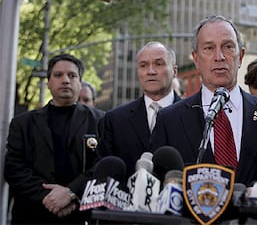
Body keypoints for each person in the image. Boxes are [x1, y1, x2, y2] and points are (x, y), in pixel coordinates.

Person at [150, 15, 257, 185]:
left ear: (241, 56)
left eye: (228, 47)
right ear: (196, 59)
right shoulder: (169, 121)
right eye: (209, 48)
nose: (219, 57)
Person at [4, 53, 104, 224]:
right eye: (58, 75)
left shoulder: (101, 121)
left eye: (72, 75)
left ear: (80, 83)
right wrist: (47, 197)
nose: (65, 80)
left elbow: (103, 165)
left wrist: (71, 193)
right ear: (49, 82)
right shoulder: (22, 123)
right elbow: (14, 168)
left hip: (80, 215)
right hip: (32, 215)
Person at [96, 41, 181, 177]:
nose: (150, 71)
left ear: (174, 71)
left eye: (158, 64)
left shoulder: (194, 116)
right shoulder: (114, 120)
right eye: (143, 65)